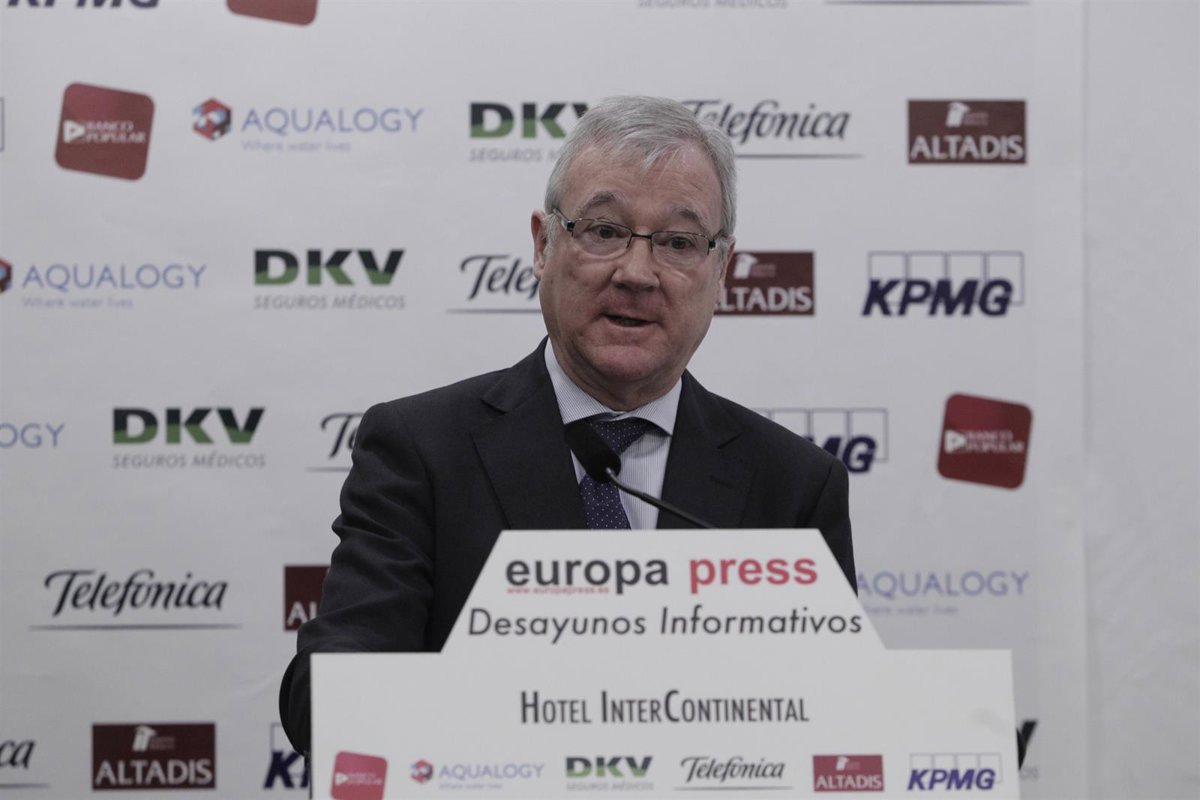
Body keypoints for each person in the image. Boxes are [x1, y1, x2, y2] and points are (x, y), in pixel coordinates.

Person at [279, 96, 855, 754]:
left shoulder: (793, 487)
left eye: (678, 243)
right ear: (542, 245)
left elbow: (834, 725)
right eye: (604, 231)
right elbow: (328, 694)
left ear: (721, 270)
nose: (636, 274)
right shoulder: (421, 450)